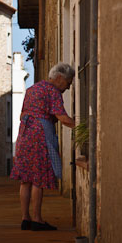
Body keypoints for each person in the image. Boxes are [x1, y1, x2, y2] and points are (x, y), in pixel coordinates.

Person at [10, 62, 75, 231]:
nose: (68, 88)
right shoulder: (52, 91)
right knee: (38, 179)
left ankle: (26, 219)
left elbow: (22, 114)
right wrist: (83, 126)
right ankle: (37, 220)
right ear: (59, 78)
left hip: (24, 135)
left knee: (26, 180)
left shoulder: (32, 89)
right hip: (39, 137)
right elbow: (62, 117)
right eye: (68, 82)